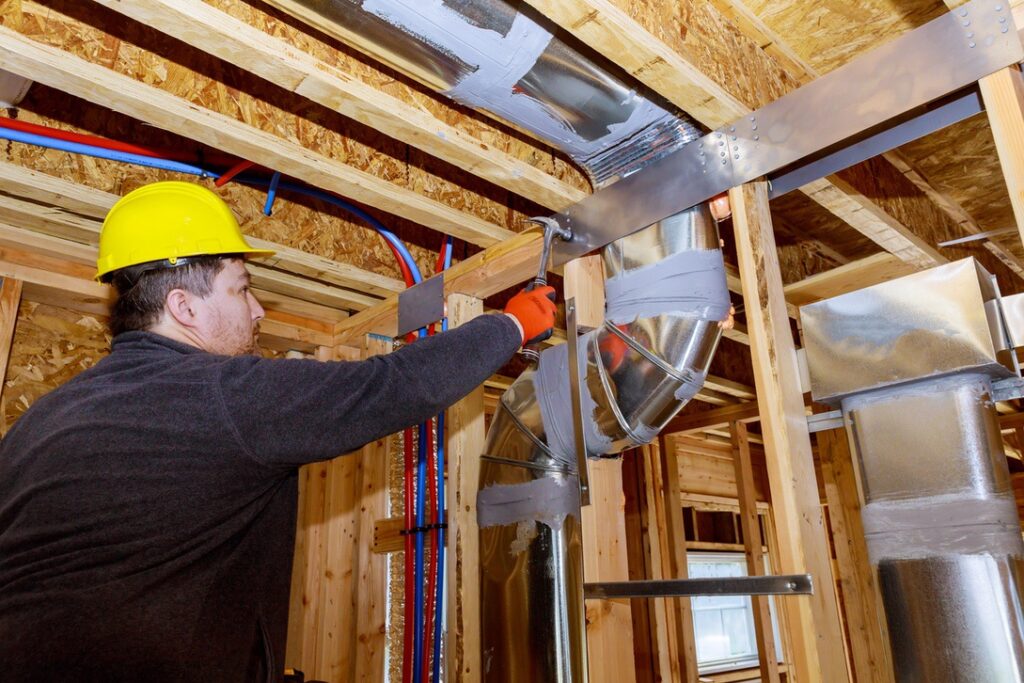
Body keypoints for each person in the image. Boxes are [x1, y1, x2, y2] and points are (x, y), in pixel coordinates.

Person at [0, 181, 557, 682]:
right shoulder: (224, 394)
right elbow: (391, 385)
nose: (259, 310)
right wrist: (510, 325)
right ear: (183, 307)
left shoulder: (39, 421)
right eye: (242, 289)